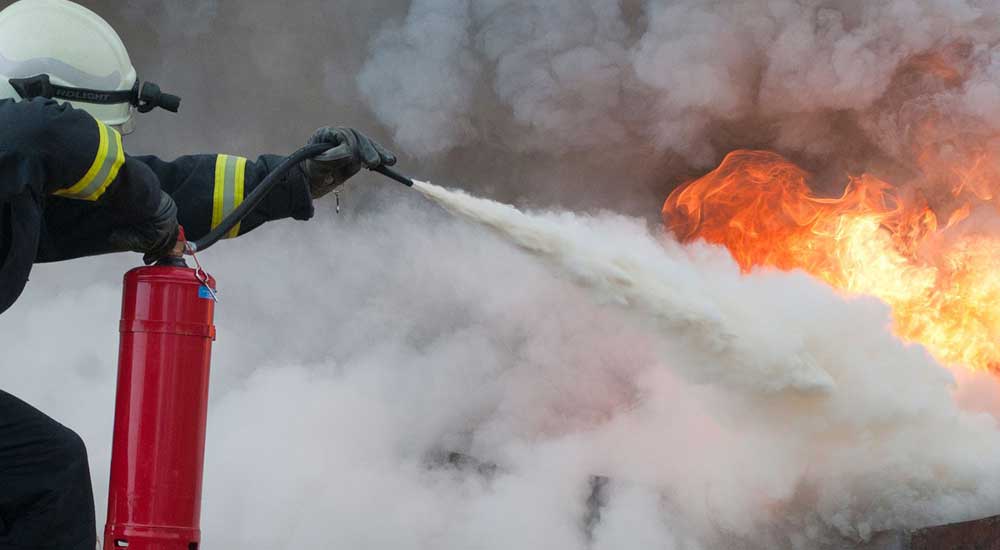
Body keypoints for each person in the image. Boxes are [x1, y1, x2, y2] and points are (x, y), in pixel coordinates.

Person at [0, 1, 396, 548]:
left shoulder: (20, 197)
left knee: (43, 469)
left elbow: (168, 189)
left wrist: (290, 178)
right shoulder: (21, 136)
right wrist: (143, 202)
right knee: (46, 474)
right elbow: (42, 132)